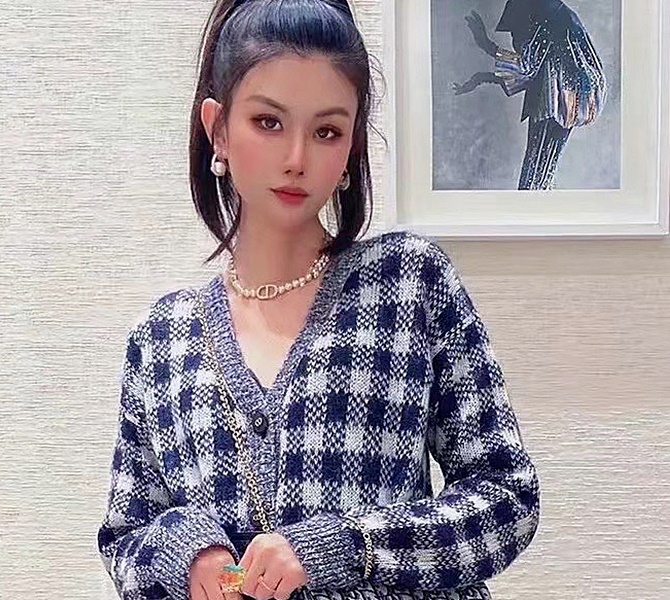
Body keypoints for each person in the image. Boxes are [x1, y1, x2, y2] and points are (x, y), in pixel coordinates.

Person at [97, 1, 541, 599]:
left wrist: (348, 547)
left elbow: (507, 497)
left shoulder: (408, 283)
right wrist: (187, 556)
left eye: (327, 131)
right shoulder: (162, 337)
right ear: (218, 128)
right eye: (268, 122)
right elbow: (125, 538)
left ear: (352, 145)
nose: (297, 159)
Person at [452, 0, 607, 190]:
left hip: (554, 105)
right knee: (543, 173)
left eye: (514, 32)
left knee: (535, 176)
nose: (515, 39)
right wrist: (482, 77)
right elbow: (535, 69)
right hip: (566, 104)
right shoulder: (559, 13)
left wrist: (486, 45)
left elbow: (526, 67)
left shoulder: (546, 15)